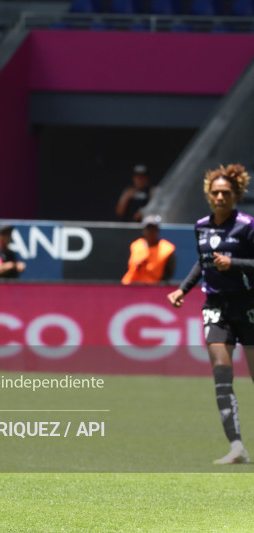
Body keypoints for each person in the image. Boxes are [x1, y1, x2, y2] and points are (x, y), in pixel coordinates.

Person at [167, 163, 254, 465]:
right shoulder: (201, 226)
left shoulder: (247, 225)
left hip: (248, 306)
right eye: (215, 192)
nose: (220, 198)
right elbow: (202, 261)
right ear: (208, 194)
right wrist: (183, 289)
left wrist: (235, 264)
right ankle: (236, 447)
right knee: (221, 373)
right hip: (216, 307)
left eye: (226, 193)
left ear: (236, 195)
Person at [121, 215, 176, 285]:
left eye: (153, 229)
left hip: (152, 288)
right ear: (144, 230)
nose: (150, 232)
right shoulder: (136, 245)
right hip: (130, 285)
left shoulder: (167, 249)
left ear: (157, 230)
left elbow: (168, 275)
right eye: (148, 229)